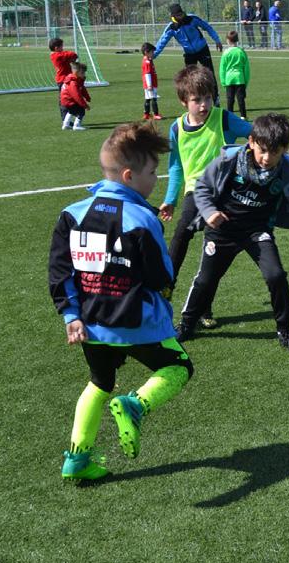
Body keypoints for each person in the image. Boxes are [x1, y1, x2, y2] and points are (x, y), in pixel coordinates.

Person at [49, 122, 194, 481]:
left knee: (99, 382)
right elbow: (162, 275)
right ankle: (136, 405)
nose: (155, 179)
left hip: (89, 323)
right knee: (179, 368)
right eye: (152, 172)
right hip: (137, 322)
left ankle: (78, 459)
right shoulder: (143, 217)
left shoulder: (71, 213)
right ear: (129, 175)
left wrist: (71, 315)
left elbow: (59, 271)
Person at [174, 113, 289, 353]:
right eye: (262, 150)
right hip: (223, 230)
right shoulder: (228, 159)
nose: (266, 158)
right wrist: (210, 212)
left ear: (285, 149)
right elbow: (202, 187)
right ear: (251, 141)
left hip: (257, 231)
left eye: (274, 152)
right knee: (206, 280)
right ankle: (186, 325)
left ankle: (285, 332)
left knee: (276, 275)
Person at [158, 65, 251, 327]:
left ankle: (203, 307)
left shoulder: (223, 119)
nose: (203, 105)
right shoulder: (176, 128)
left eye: (208, 97)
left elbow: (255, 133)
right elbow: (176, 166)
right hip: (195, 192)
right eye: (196, 100)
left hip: (225, 194)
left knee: (214, 252)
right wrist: (170, 199)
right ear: (183, 101)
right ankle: (167, 285)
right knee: (181, 233)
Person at [153, 3, 223, 101]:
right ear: (172, 16)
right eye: (178, 15)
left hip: (203, 49)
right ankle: (193, 99)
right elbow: (162, 42)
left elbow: (207, 27)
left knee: (210, 74)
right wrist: (154, 54)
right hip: (189, 54)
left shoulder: (192, 19)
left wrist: (217, 39)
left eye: (181, 14)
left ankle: (215, 98)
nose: (181, 17)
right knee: (189, 78)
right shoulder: (171, 28)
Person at [219, 30, 250, 120]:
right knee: (241, 99)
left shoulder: (226, 53)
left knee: (230, 99)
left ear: (227, 40)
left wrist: (223, 81)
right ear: (237, 40)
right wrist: (246, 81)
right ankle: (243, 116)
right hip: (240, 78)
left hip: (229, 79)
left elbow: (222, 69)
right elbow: (246, 69)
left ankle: (230, 116)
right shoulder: (241, 52)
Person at [49, 37, 78, 120]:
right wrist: (69, 57)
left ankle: (69, 119)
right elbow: (73, 54)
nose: (63, 48)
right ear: (56, 48)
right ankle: (65, 119)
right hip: (63, 81)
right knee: (64, 100)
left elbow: (73, 56)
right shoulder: (56, 55)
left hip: (67, 79)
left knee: (72, 98)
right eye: (62, 46)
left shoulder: (60, 55)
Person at [60, 61, 91, 131]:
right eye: (82, 73)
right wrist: (85, 105)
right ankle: (77, 125)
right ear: (76, 73)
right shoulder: (73, 82)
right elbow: (77, 95)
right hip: (69, 100)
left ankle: (65, 125)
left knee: (71, 112)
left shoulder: (78, 80)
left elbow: (82, 88)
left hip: (66, 100)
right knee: (81, 111)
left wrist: (87, 97)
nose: (84, 74)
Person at [141, 42, 163, 120]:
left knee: (148, 98)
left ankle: (146, 114)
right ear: (146, 52)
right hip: (150, 84)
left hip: (148, 84)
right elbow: (147, 74)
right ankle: (156, 114)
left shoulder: (147, 60)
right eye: (152, 52)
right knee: (154, 98)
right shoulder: (147, 62)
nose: (153, 53)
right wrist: (150, 85)